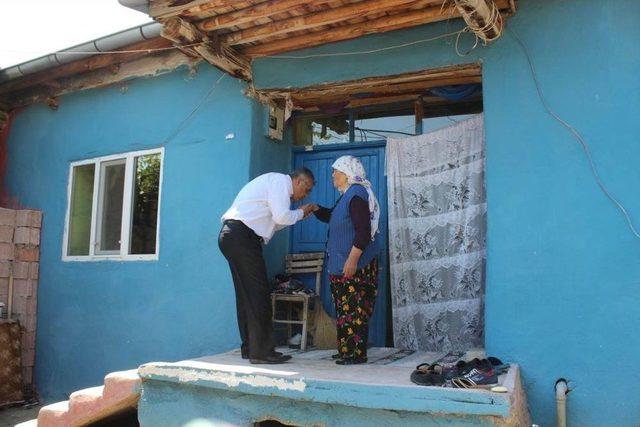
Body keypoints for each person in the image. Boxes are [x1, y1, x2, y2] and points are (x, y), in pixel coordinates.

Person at [219, 169, 316, 364]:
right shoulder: (280, 182)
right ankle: (261, 352)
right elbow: (281, 217)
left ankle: (250, 348)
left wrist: (297, 215)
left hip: (233, 236)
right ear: (298, 182)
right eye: (307, 190)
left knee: (246, 295)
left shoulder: (274, 184)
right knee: (259, 294)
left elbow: (275, 222)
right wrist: (300, 212)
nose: (305, 195)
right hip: (242, 238)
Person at [313, 156, 380, 365]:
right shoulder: (347, 196)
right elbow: (333, 216)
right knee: (345, 308)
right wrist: (315, 209)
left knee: (354, 309)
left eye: (336, 171)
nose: (333, 175)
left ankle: (354, 354)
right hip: (343, 263)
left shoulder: (356, 195)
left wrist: (352, 260)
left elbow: (363, 232)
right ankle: (346, 349)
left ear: (347, 173)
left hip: (353, 264)